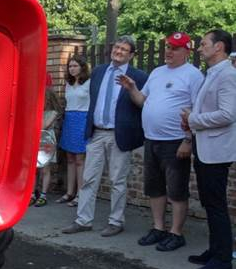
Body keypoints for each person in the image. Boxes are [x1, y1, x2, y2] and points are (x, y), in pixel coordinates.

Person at [117, 32, 203, 251]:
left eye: (174, 48)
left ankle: (176, 232)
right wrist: (132, 89)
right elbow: (142, 101)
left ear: (186, 51)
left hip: (175, 141)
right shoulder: (156, 72)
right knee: (154, 188)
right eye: (168, 47)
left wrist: (188, 140)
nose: (169, 52)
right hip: (151, 139)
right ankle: (158, 228)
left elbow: (197, 111)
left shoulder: (194, 75)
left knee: (176, 190)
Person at [62, 36, 147, 236]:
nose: (119, 51)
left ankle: (116, 221)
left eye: (124, 49)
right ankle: (83, 220)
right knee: (89, 178)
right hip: (97, 133)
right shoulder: (99, 72)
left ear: (132, 55)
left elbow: (143, 105)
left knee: (118, 180)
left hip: (120, 135)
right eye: (117, 47)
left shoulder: (139, 76)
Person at [181, 29, 236, 269]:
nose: (199, 47)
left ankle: (223, 259)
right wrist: (192, 120)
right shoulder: (212, 73)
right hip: (206, 149)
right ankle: (215, 251)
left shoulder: (227, 76)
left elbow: (228, 115)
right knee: (209, 202)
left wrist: (193, 119)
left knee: (216, 205)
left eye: (204, 44)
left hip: (216, 152)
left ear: (219, 47)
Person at [56, 55, 91, 207]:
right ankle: (69, 193)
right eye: (70, 66)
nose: (72, 69)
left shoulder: (89, 83)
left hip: (82, 119)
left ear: (82, 67)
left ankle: (80, 194)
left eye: (75, 66)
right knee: (69, 158)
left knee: (79, 160)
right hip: (69, 120)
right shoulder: (69, 84)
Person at [33, 88, 61, 207]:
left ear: (48, 100)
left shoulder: (53, 113)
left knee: (45, 168)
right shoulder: (36, 111)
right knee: (34, 169)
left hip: (47, 142)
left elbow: (44, 126)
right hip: (35, 140)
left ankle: (43, 195)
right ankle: (33, 193)